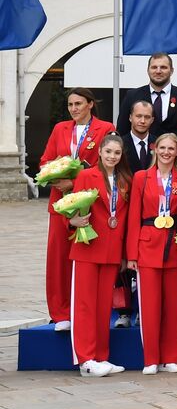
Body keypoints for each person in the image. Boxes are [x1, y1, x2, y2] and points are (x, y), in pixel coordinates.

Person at [38, 88, 116, 331]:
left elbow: (106, 163)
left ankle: (82, 309)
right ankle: (60, 313)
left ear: (90, 104)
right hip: (60, 203)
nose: (74, 108)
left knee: (85, 257)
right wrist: (55, 174)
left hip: (90, 201)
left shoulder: (105, 128)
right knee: (58, 259)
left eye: (79, 103)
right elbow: (45, 160)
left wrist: (74, 181)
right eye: (70, 104)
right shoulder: (60, 129)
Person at [126, 133, 177, 374]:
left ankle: (171, 357)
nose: (166, 152)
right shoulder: (141, 177)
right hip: (147, 245)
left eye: (171, 149)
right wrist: (132, 254)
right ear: (155, 149)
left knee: (174, 306)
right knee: (150, 306)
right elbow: (133, 216)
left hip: (174, 245)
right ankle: (151, 359)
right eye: (162, 148)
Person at [68, 134, 130, 378]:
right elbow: (71, 207)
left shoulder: (125, 180)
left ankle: (101, 356)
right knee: (84, 305)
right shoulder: (86, 176)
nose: (112, 156)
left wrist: (124, 254)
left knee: (104, 306)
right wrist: (72, 221)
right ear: (100, 152)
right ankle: (85, 359)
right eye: (108, 152)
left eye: (117, 153)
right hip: (88, 247)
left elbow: (124, 219)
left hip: (111, 250)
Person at [117, 53, 177, 137]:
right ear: (148, 70)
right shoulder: (132, 96)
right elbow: (122, 130)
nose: (158, 71)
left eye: (163, 67)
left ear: (171, 71)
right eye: (154, 67)